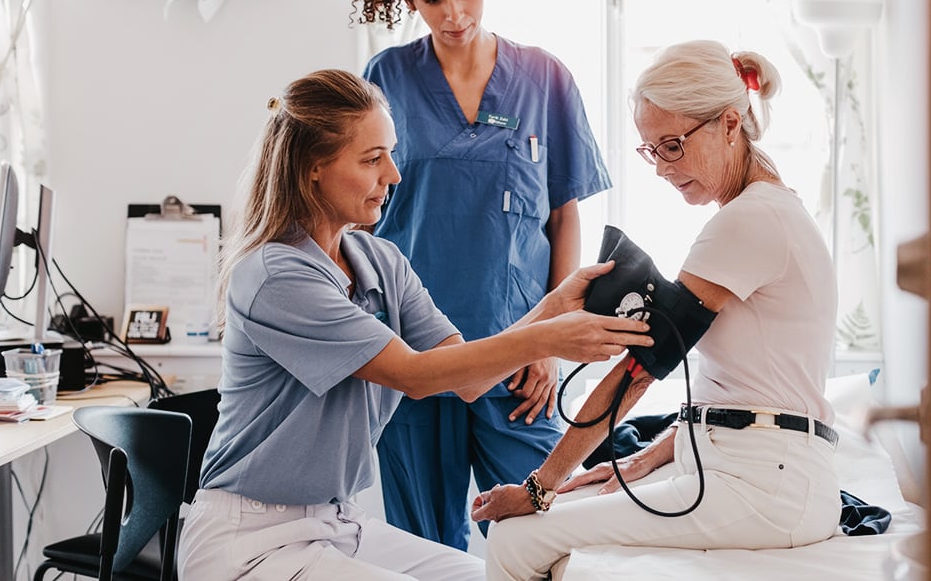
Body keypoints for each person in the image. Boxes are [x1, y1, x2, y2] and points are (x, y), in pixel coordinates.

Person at [175, 69, 650, 580]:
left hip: (336, 522)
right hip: (249, 540)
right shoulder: (275, 276)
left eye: (391, 153)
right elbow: (416, 375)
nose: (394, 175)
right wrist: (548, 338)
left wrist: (554, 306)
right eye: (372, 159)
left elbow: (467, 381)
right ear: (313, 168)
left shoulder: (380, 260)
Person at [470, 40, 841, 580]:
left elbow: (640, 371)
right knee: (563, 509)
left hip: (766, 485)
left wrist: (540, 486)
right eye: (651, 150)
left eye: (673, 145)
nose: (663, 168)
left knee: (516, 537)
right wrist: (654, 455)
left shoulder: (748, 221)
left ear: (730, 124)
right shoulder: (766, 212)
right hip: (754, 472)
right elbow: (748, 387)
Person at [351, 0, 612, 551]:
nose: (453, 14)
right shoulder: (385, 75)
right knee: (427, 547)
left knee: (541, 538)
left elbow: (563, 215)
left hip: (520, 356)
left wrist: (547, 344)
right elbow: (360, 211)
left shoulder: (546, 77)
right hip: (414, 353)